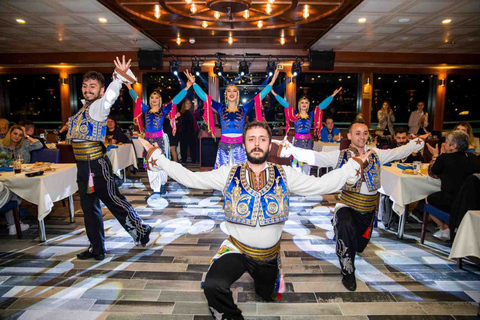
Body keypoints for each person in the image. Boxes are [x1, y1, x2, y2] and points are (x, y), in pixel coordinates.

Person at [139, 120, 369, 320]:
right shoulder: (228, 173)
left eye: (262, 139)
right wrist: (157, 158)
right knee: (212, 286)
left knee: (267, 297)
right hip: (236, 249)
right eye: (251, 139)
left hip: (268, 255)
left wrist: (352, 166)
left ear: (270, 144)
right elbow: (190, 178)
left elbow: (322, 184)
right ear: (244, 144)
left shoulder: (284, 174)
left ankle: (273, 273)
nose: (257, 144)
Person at [275, 120, 427, 291]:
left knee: (359, 247)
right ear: (349, 136)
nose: (362, 137)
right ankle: (348, 271)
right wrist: (291, 149)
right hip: (347, 206)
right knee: (345, 226)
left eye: (364, 133)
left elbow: (400, 151)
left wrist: (417, 142)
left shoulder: (376, 154)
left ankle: (349, 233)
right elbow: (315, 157)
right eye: (358, 133)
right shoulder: (340, 155)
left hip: (368, 212)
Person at [66, 56, 152, 261]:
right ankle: (97, 248)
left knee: (114, 201)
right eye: (85, 86)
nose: (88, 89)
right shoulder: (83, 108)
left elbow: (111, 97)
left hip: (97, 165)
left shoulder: (98, 107)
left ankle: (141, 230)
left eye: (93, 86)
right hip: (83, 167)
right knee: (89, 208)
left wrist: (117, 79)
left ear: (100, 90)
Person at [184, 69, 280, 169]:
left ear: (237, 95)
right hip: (223, 146)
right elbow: (205, 97)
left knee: (240, 173)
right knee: (222, 175)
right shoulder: (221, 108)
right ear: (226, 95)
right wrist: (194, 83)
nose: (231, 93)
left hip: (240, 147)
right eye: (229, 91)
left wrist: (272, 81)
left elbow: (260, 96)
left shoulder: (244, 108)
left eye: (234, 91)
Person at [126, 81, 190, 197]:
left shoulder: (163, 111)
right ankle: (155, 189)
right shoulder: (145, 110)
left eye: (156, 98)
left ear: (159, 100)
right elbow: (137, 99)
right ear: (150, 100)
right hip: (147, 142)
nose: (154, 100)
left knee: (161, 163)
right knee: (150, 165)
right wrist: (129, 87)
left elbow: (175, 100)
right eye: (152, 98)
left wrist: (186, 87)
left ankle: (162, 184)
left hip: (159, 141)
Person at [424, 130, 480, 241]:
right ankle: (450, 227)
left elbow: (432, 172)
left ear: (453, 146)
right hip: (472, 201)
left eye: (446, 141)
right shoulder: (474, 158)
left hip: (451, 200)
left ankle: (444, 228)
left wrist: (436, 155)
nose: (444, 144)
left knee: (427, 198)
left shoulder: (444, 158)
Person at [271, 88, 341, 174]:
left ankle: (306, 184)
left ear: (308, 105)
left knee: (307, 167)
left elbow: (322, 105)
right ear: (299, 104)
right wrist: (274, 93)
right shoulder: (294, 114)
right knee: (296, 166)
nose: (304, 104)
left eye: (306, 103)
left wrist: (332, 95)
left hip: (308, 143)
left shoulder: (311, 114)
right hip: (297, 142)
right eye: (302, 102)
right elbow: (285, 104)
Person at [178, 98, 200, 163]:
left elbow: (198, 115)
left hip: (192, 132)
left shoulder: (193, 112)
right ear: (184, 104)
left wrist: (196, 106)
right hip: (183, 132)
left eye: (189, 103)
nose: (188, 105)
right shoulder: (181, 113)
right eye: (187, 103)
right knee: (183, 147)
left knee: (193, 147)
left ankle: (194, 161)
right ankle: (183, 161)